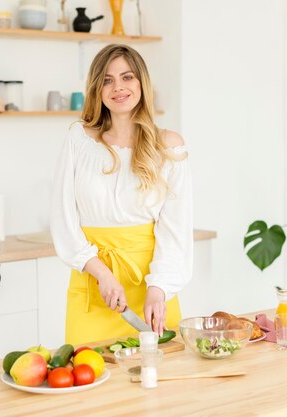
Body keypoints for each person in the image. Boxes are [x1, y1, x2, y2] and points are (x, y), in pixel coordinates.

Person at [50, 44, 193, 345]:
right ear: (97, 89)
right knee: (89, 380)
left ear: (142, 83)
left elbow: (175, 231)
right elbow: (63, 218)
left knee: (160, 383)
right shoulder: (79, 140)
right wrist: (102, 274)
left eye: (127, 77)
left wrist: (159, 289)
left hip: (151, 289)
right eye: (107, 80)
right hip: (93, 284)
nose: (118, 87)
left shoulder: (169, 146)